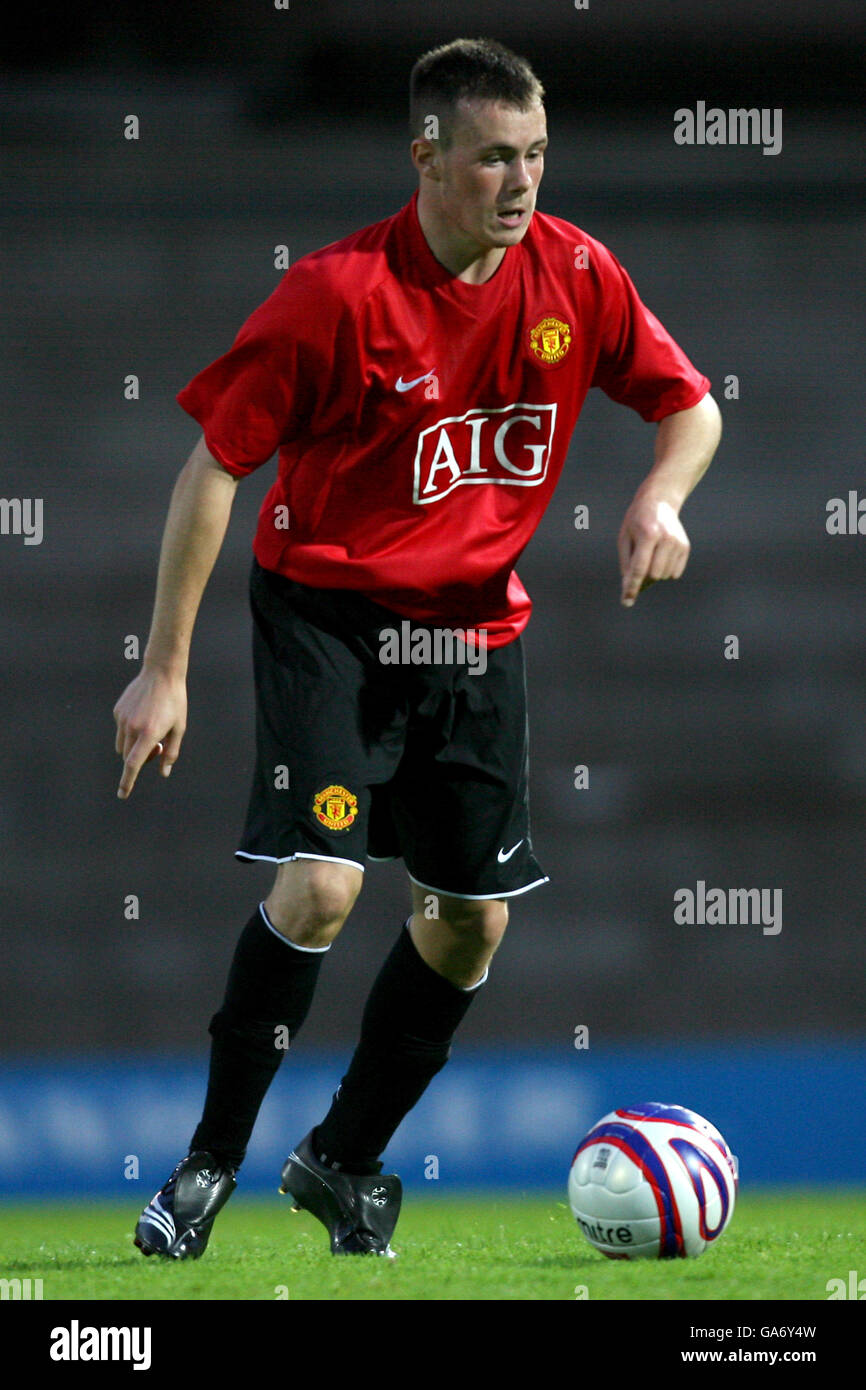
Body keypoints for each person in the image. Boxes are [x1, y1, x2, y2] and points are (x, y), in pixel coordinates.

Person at [113, 37, 721, 1260]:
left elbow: (689, 407)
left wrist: (663, 497)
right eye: (495, 155)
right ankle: (205, 1166)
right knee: (325, 884)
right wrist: (163, 665)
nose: (522, 180)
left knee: (467, 922)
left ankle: (341, 1160)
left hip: (476, 635)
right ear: (427, 157)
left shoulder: (575, 275)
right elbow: (214, 467)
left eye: (536, 153)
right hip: (329, 621)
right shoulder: (336, 295)